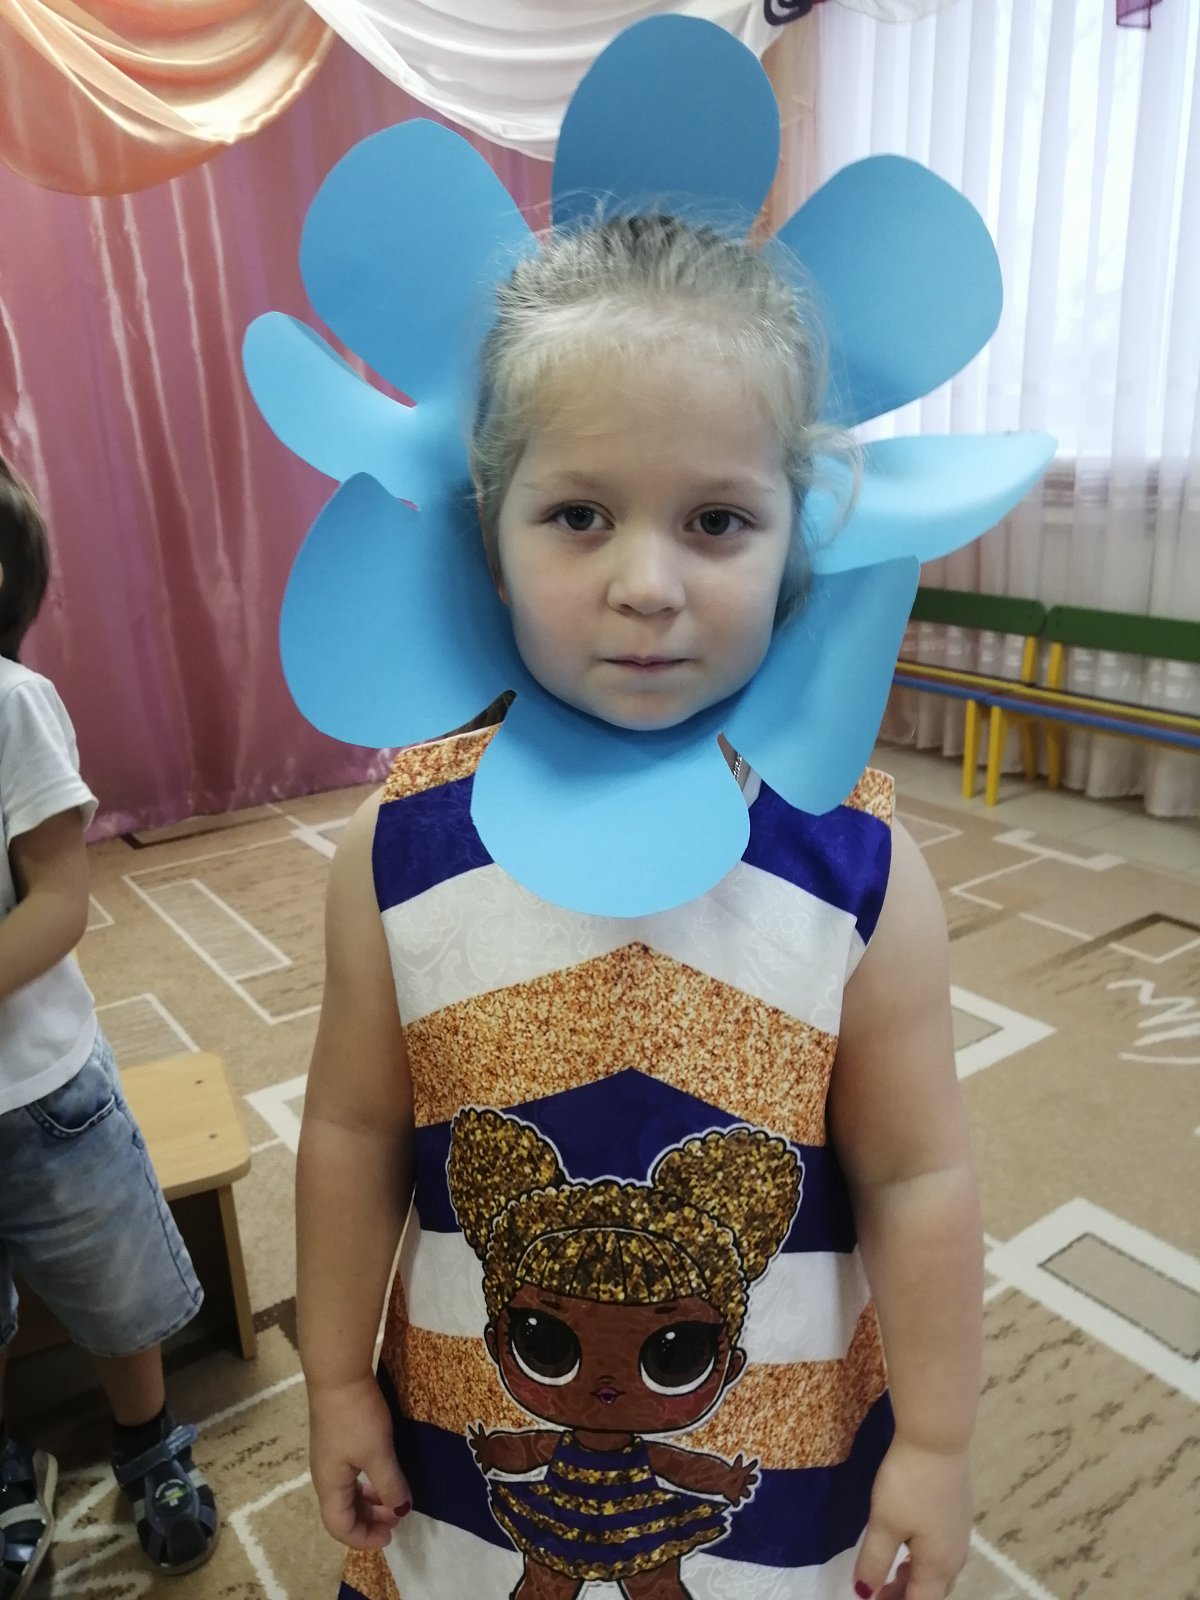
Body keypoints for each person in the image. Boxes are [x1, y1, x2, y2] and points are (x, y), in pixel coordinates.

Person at [298, 215, 982, 1600]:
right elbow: (354, 1133)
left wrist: (937, 1441)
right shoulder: (396, 850)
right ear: (490, 537)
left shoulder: (860, 868)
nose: (649, 586)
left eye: (716, 520)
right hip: (473, 1431)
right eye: (579, 515)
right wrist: (333, 1381)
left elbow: (918, 1175)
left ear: (797, 539)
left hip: (769, 1463)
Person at [0, 457, 219, 1598]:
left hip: (41, 1095)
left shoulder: (9, 702)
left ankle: (150, 1442)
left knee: (115, 1282)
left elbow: (59, 902)